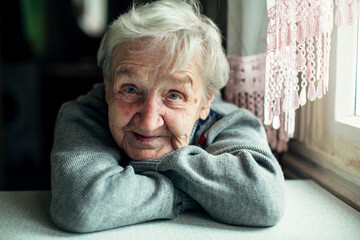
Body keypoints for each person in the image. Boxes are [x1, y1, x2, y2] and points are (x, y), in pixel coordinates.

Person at [50, 0, 285, 233]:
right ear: (108, 85)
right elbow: (82, 206)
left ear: (204, 102)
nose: (148, 122)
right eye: (131, 89)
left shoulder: (226, 121)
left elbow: (264, 199)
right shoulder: (84, 115)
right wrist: (204, 195)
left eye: (174, 95)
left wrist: (127, 185)